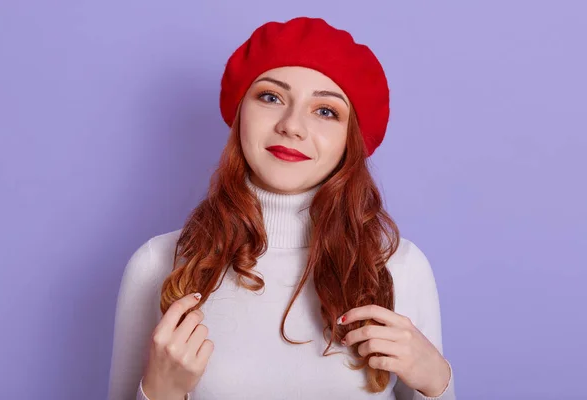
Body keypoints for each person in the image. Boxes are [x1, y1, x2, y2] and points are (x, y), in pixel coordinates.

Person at [107, 16, 456, 400]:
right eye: (271, 97)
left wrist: (437, 381)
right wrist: (158, 393)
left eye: (325, 111)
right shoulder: (159, 264)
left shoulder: (399, 267)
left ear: (350, 140)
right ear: (241, 113)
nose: (292, 126)